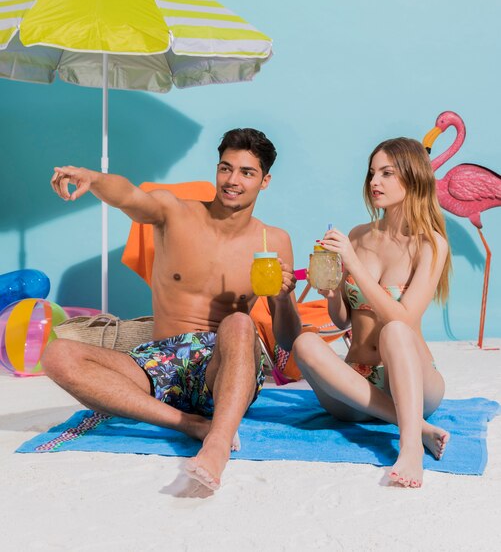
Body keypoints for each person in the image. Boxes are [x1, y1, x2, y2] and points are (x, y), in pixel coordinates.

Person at [42, 128, 301, 491]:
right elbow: (128, 195)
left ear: (265, 181)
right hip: (159, 362)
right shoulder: (173, 212)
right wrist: (94, 178)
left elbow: (287, 340)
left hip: (222, 367)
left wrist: (285, 297)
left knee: (241, 321)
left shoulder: (273, 241)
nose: (232, 181)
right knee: (57, 354)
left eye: (247, 172)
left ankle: (217, 444)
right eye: (226, 168)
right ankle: (190, 424)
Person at [291, 137, 451, 488]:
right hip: (356, 385)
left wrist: (353, 265)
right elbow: (344, 321)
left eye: (387, 173)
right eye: (371, 173)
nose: (374, 182)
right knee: (304, 343)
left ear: (412, 178)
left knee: (394, 330)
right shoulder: (358, 235)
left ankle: (410, 447)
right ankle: (414, 426)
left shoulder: (430, 243)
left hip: (411, 381)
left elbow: (404, 319)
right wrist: (333, 292)